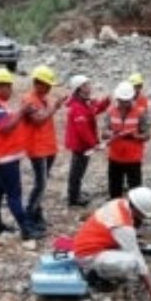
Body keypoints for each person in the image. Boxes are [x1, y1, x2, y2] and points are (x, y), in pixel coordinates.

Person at [72, 187, 151, 301]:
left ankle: (98, 265)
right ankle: (95, 276)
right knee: (132, 263)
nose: (144, 217)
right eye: (143, 214)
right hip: (86, 255)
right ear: (137, 210)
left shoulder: (119, 202)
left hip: (85, 243)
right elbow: (138, 259)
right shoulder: (123, 226)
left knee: (131, 249)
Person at [0, 67, 39, 240]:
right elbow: (4, 127)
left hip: (1, 156)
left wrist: (21, 113)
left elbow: (6, 122)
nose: (10, 90)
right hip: (3, 157)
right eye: (8, 86)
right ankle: (26, 229)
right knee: (14, 194)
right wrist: (22, 112)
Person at [22, 65, 65, 233]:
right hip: (37, 148)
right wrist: (55, 107)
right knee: (41, 184)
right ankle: (30, 216)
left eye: (49, 85)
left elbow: (46, 117)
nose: (49, 88)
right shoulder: (28, 100)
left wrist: (55, 105)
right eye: (46, 85)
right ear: (37, 83)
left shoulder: (45, 99)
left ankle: (36, 212)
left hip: (48, 147)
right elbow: (38, 120)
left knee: (43, 182)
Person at [64, 75, 110, 206]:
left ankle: (75, 194)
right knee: (77, 171)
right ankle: (73, 198)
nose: (89, 87)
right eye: (86, 85)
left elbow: (96, 109)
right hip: (80, 145)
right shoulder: (77, 107)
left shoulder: (84, 102)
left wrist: (106, 101)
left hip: (83, 145)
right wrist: (94, 144)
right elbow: (83, 129)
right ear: (79, 89)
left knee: (79, 170)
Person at [103, 81, 150, 199]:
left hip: (133, 159)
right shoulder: (110, 111)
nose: (124, 104)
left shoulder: (140, 112)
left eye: (126, 101)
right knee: (114, 191)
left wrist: (136, 136)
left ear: (131, 98)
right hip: (115, 158)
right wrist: (111, 134)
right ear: (117, 98)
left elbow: (147, 135)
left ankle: (134, 215)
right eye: (121, 101)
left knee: (135, 192)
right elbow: (103, 133)